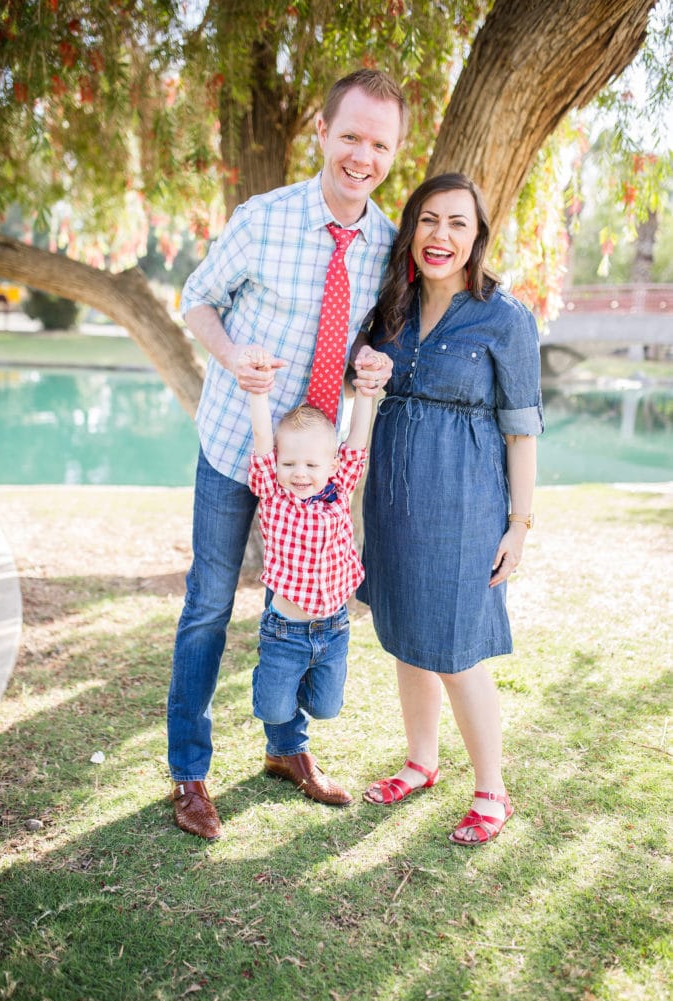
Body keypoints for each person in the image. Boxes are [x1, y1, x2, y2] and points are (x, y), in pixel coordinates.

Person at [168, 69, 408, 840]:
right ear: (322, 134)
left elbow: (372, 336)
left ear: (392, 152)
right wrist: (232, 351)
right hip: (237, 446)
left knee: (305, 599)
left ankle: (286, 751)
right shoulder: (262, 218)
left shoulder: (385, 245)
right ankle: (189, 772)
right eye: (350, 136)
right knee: (209, 603)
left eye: (378, 143)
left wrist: (373, 362)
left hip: (314, 471)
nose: (361, 156)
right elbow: (196, 297)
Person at [358, 172, 543, 846]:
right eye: (428, 220)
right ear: (411, 229)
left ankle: (491, 789)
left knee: (456, 650)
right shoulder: (389, 310)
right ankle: (420, 762)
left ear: (477, 237)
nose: (440, 236)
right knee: (408, 640)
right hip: (391, 504)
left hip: (464, 506)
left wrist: (517, 526)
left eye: (456, 223)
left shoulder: (504, 315)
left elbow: (521, 430)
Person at [239, 346, 387, 804]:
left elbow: (357, 442)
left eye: (310, 465)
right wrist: (258, 394)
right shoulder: (274, 494)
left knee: (327, 707)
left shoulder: (340, 487)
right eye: (290, 464)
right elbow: (264, 441)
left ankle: (296, 681)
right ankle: (276, 683)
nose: (299, 474)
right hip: (285, 629)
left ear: (331, 466)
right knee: (272, 706)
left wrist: (366, 393)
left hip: (334, 628)